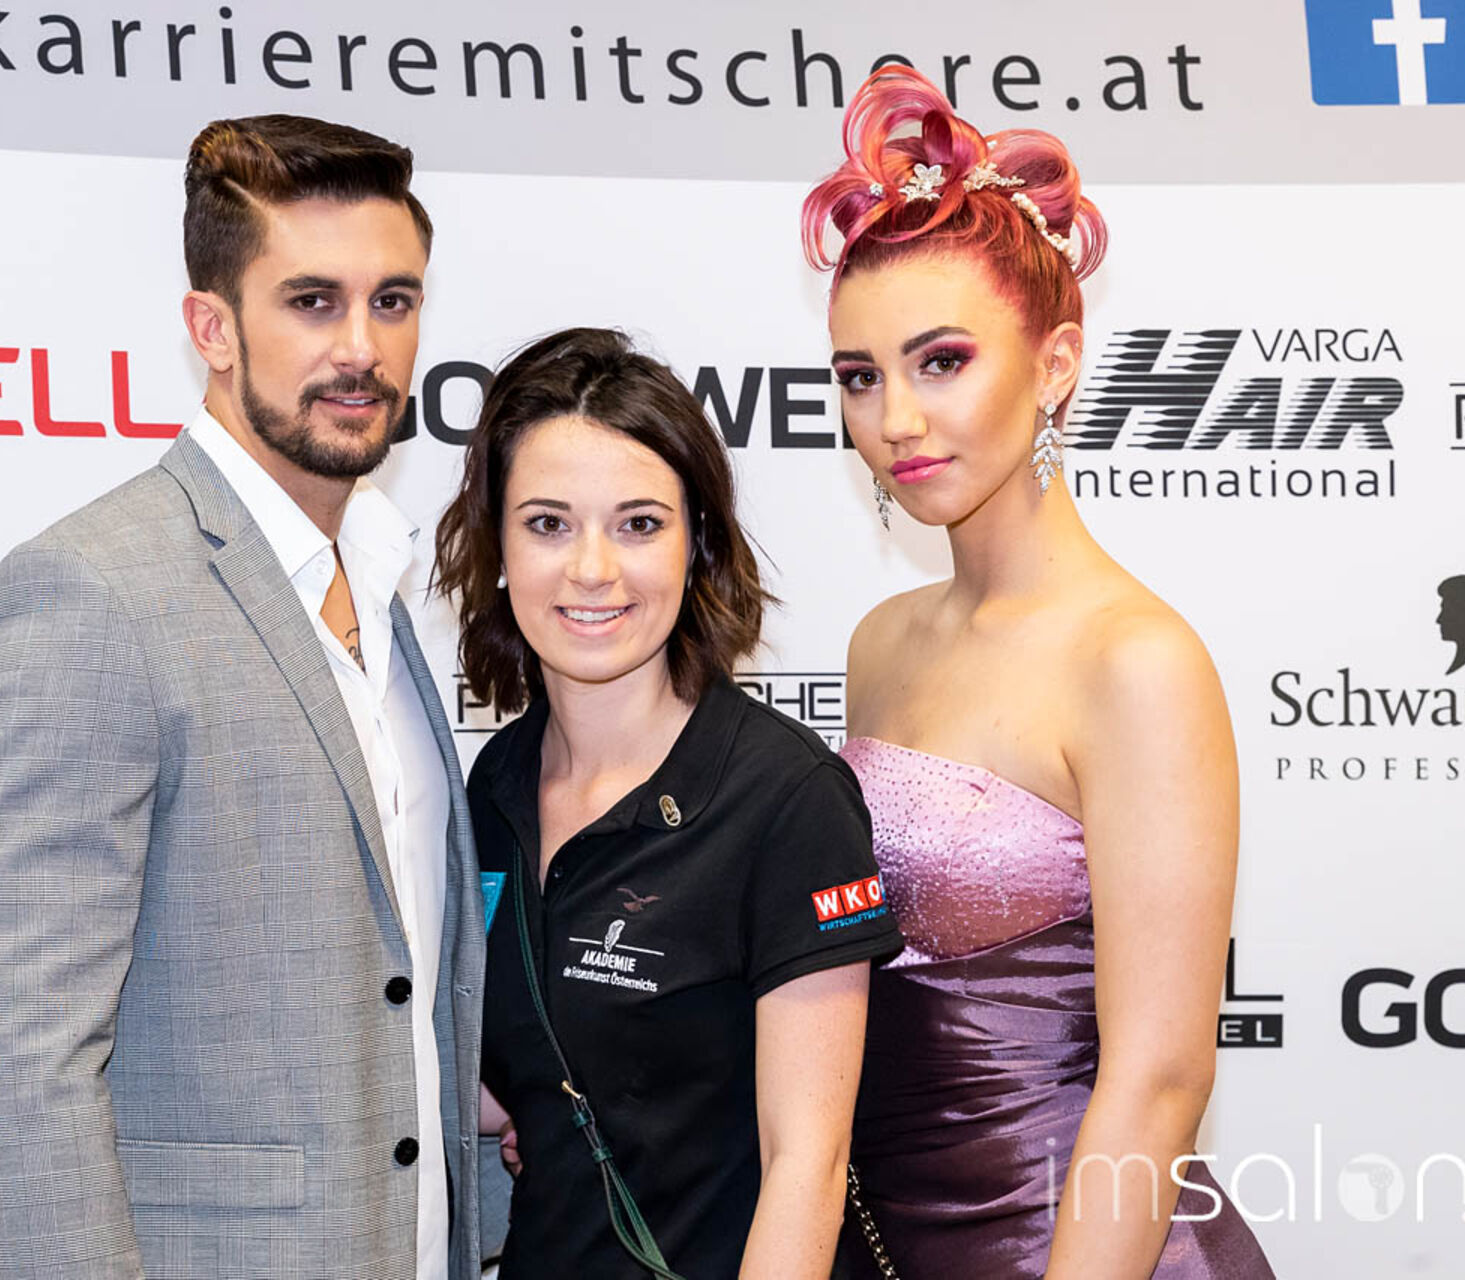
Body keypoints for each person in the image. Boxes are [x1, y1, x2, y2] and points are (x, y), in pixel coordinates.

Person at [0, 115, 483, 1280]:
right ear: (212, 327)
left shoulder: (379, 577)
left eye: (393, 300)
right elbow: (24, 1059)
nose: (363, 347)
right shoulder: (88, 592)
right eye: (312, 301)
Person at [801, 70, 1275, 1277]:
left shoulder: (1138, 662)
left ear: (1056, 362)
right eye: (860, 375)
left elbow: (1159, 1080)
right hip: (895, 1238)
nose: (896, 417)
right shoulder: (880, 642)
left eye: (942, 360)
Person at [433, 327, 903, 1280]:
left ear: (698, 546)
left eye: (639, 524)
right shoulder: (494, 786)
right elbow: (541, 1070)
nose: (592, 569)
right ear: (496, 548)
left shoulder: (785, 798)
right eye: (548, 524)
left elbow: (806, 1165)